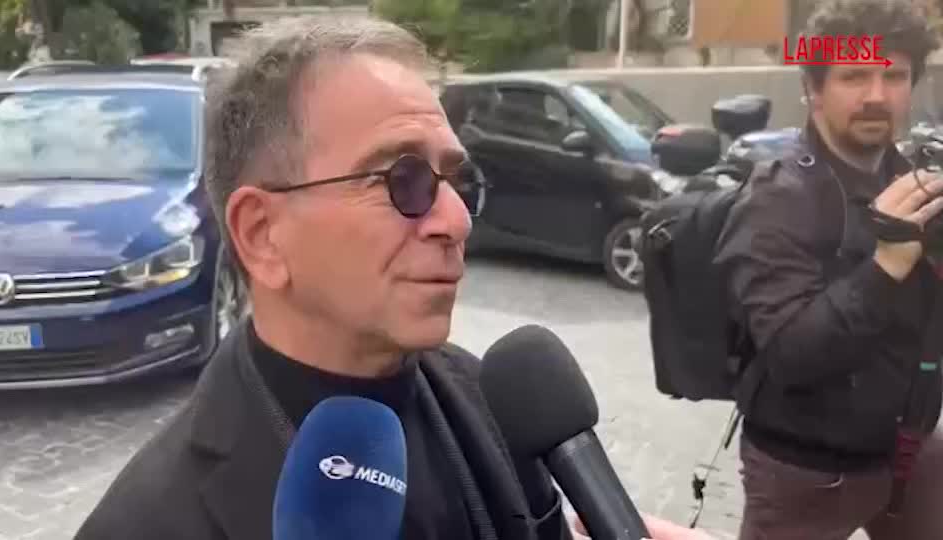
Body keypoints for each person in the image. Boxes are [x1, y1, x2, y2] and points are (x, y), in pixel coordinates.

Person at [74, 15, 708, 540]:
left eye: (456, 181)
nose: (456, 220)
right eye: (404, 181)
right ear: (263, 234)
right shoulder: (149, 522)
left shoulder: (498, 403)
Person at [713, 0, 943, 538]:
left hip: (909, 449)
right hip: (807, 473)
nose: (876, 95)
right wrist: (885, 266)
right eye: (854, 76)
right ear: (813, 90)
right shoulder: (777, 196)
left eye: (894, 76)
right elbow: (793, 354)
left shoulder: (914, 180)